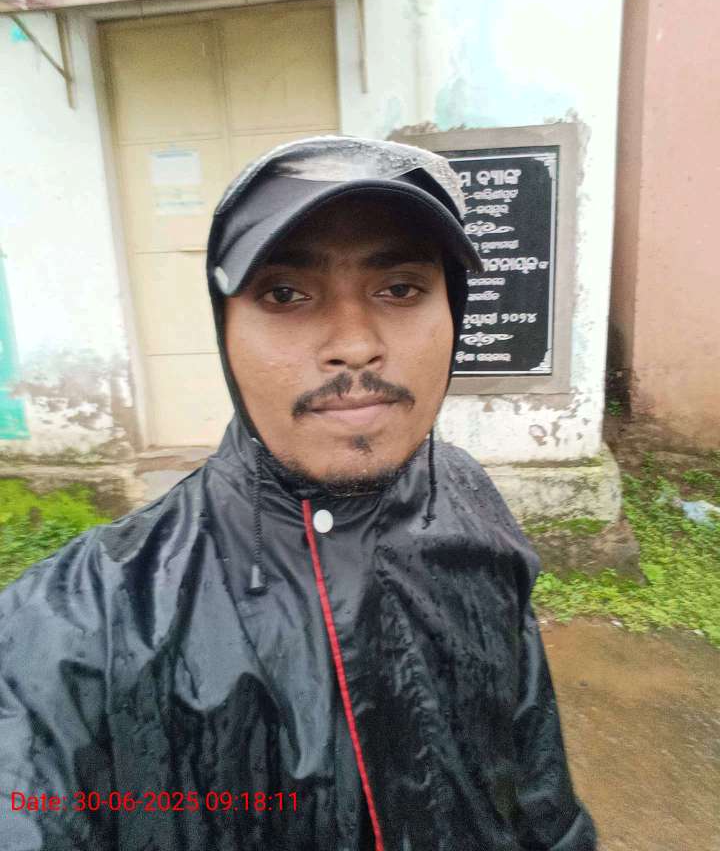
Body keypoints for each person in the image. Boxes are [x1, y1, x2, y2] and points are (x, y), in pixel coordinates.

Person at [0, 136, 596, 850]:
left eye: (400, 288)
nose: (355, 344)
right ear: (225, 331)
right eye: (285, 294)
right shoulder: (82, 621)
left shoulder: (469, 499)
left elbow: (536, 785)